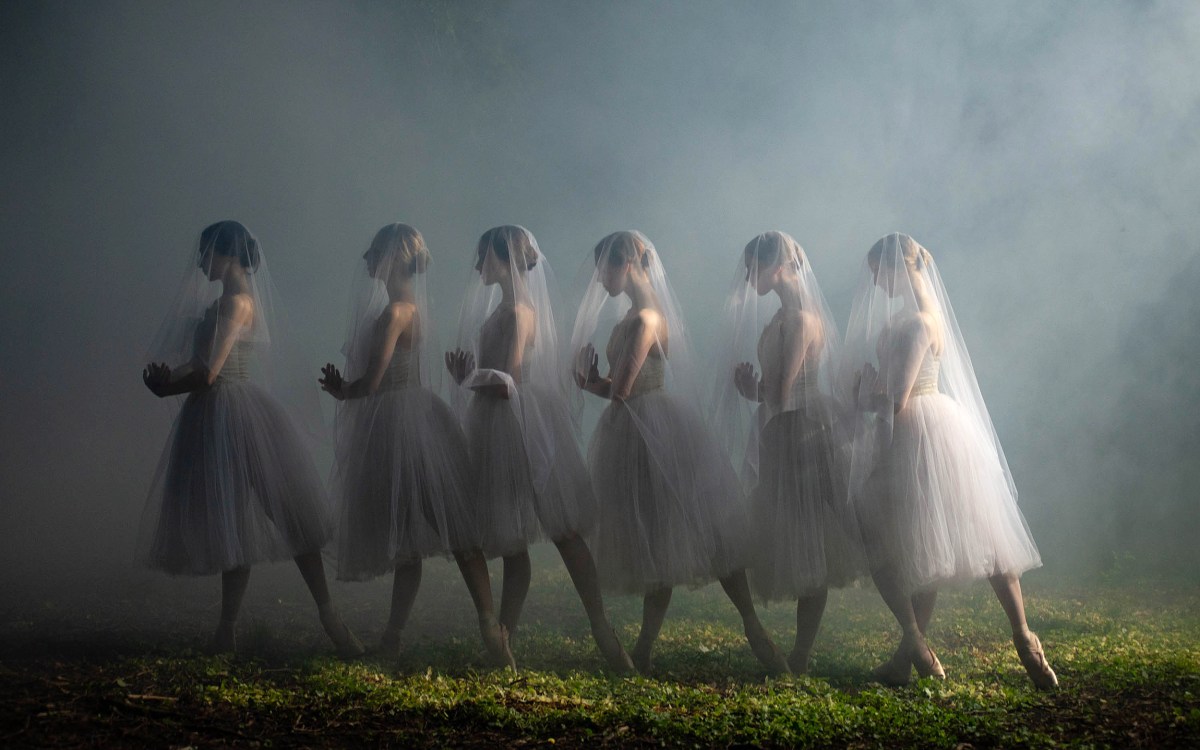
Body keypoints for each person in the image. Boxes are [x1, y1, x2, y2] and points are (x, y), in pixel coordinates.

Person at [842, 232, 1057, 689]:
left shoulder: (919, 322)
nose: (874, 281)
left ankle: (933, 639)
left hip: (921, 431)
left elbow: (897, 398)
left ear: (895, 267)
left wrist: (864, 391)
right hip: (930, 428)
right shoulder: (916, 317)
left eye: (877, 270)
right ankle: (919, 651)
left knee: (894, 533)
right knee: (931, 537)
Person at [139, 220, 362, 656]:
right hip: (216, 413)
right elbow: (197, 365)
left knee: (289, 513)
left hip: (236, 412)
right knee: (233, 521)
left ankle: (328, 614)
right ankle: (227, 629)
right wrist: (165, 380)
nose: (201, 261)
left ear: (229, 256)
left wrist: (169, 386)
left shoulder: (238, 304)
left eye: (207, 253)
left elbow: (209, 372)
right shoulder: (218, 306)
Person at [572, 230, 789, 675]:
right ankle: (647, 648)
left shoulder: (648, 318)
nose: (600, 279)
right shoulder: (634, 316)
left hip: (651, 429)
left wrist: (591, 383)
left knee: (697, 530)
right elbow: (618, 388)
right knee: (663, 538)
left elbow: (622, 390)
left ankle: (751, 623)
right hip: (639, 427)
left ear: (627, 264)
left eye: (605, 268)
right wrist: (593, 381)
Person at [318, 223, 512, 666]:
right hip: (406, 421)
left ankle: (488, 627)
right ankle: (397, 635)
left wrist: (344, 389)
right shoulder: (399, 310)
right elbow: (372, 383)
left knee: (450, 527)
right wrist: (345, 388)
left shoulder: (396, 313)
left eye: (373, 252)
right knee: (411, 536)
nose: (367, 260)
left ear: (390, 257)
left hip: (405, 426)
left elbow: (372, 383)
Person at [446, 225, 632, 673]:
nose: (477, 267)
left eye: (483, 258)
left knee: (563, 530)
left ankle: (601, 630)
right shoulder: (505, 309)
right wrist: (474, 377)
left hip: (522, 425)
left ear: (502, 258)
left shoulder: (520, 312)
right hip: (498, 424)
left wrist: (467, 379)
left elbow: (507, 382)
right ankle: (502, 636)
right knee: (510, 538)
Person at [714, 231, 865, 674]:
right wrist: (753, 390)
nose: (747, 277)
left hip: (801, 434)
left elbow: (781, 392)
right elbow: (774, 392)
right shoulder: (781, 316)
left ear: (776, 267)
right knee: (796, 538)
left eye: (753, 268)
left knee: (809, 539)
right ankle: (780, 645)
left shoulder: (800, 320)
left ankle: (797, 653)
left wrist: (755, 390)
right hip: (783, 430)